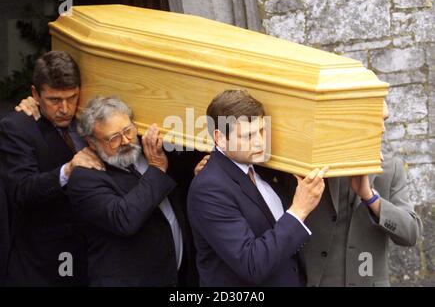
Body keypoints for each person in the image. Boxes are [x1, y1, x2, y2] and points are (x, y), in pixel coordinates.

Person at [187, 89, 328, 286]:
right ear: (219, 138)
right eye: (248, 135)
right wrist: (299, 210)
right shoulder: (208, 189)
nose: (260, 142)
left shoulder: (264, 168)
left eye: (262, 130)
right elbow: (251, 264)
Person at [67, 96, 198, 286]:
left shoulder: (150, 152)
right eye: (113, 138)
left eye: (128, 130)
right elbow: (124, 219)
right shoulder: (85, 178)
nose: (126, 141)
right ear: (91, 142)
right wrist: (156, 169)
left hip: (175, 276)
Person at [0, 51, 103, 286]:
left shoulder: (88, 119)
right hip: (43, 265)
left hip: (93, 257)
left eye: (72, 97)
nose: (65, 108)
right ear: (35, 94)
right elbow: (22, 190)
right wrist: (67, 170)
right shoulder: (17, 127)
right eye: (55, 100)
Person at [301, 101, 423, 286]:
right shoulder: (308, 167)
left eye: (385, 120)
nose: (383, 129)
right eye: (376, 121)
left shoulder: (391, 168)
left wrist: (371, 197)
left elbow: (411, 233)